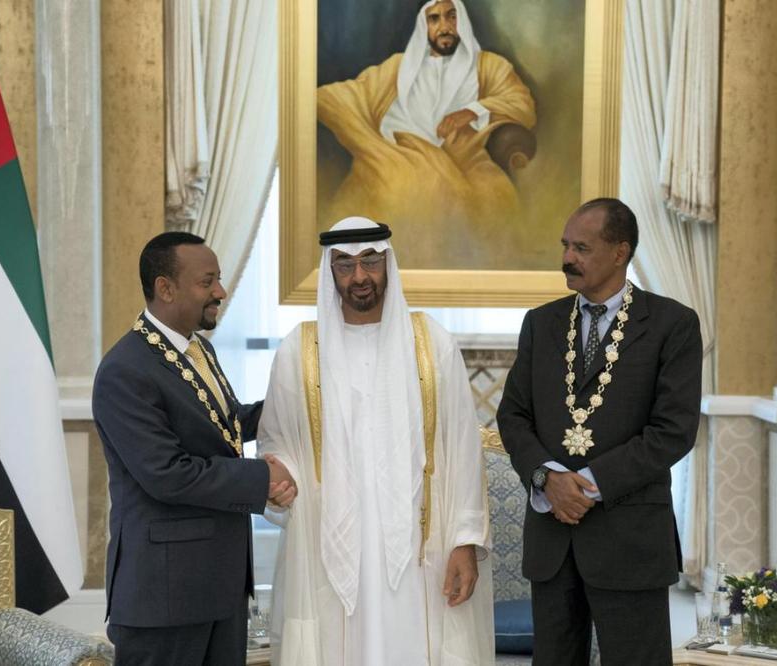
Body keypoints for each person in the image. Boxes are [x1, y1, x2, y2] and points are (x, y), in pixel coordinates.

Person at [258, 217, 494, 665]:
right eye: (345, 265)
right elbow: (277, 440)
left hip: (423, 548)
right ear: (330, 271)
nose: (360, 277)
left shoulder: (430, 343)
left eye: (370, 261)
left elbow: (463, 447)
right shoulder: (299, 350)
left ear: (388, 263)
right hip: (329, 541)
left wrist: (465, 541)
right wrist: (279, 472)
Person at [496, 198, 702, 665]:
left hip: (630, 539)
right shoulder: (542, 323)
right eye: (566, 245)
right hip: (554, 540)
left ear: (619, 252)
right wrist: (549, 478)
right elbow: (512, 416)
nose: (567, 257)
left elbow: (673, 431)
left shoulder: (673, 324)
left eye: (582, 247)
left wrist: (586, 486)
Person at [92, 232, 296, 666]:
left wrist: (296, 404)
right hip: (164, 597)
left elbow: (223, 427)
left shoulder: (196, 348)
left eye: (218, 280)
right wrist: (263, 478)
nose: (220, 292)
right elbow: (166, 473)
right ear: (166, 288)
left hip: (218, 587)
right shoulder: (125, 370)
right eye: (208, 282)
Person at [317, 0, 536, 265]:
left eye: (451, 17)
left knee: (488, 199)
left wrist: (472, 111)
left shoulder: (488, 65)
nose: (444, 26)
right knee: (404, 184)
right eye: (434, 19)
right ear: (425, 26)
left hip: (465, 161)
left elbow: (522, 104)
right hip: (394, 154)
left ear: (462, 20)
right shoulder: (399, 66)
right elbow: (356, 93)